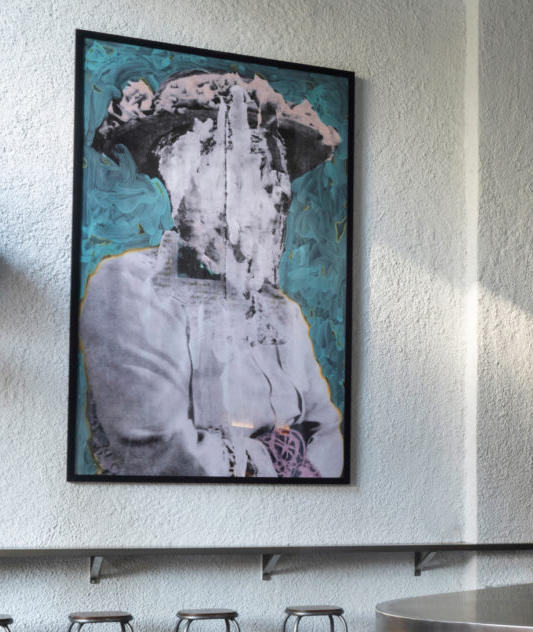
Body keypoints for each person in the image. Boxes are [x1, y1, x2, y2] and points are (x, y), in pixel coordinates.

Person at [79, 70, 344, 478]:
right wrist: (276, 460)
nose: (277, 188)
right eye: (254, 159)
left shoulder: (282, 313)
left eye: (277, 166)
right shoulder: (130, 286)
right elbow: (164, 457)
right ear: (187, 173)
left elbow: (327, 438)